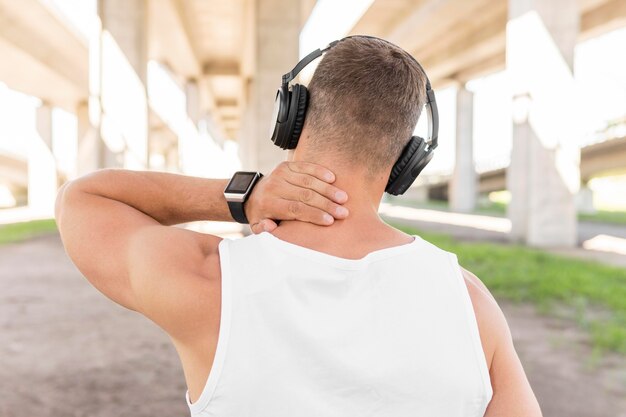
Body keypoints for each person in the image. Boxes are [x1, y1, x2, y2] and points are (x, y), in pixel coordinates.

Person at [55, 36, 542, 416]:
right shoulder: (470, 304)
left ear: (292, 118)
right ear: (405, 161)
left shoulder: (211, 281)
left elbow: (83, 200)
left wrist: (245, 194)